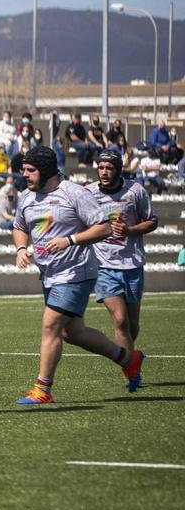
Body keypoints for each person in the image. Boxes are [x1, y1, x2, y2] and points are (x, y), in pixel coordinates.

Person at [11, 146, 144, 405]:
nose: (24, 174)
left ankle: (43, 389)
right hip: (49, 273)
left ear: (46, 170)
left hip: (76, 272)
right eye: (23, 170)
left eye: (30, 170)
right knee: (72, 333)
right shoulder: (26, 196)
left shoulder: (74, 193)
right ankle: (129, 359)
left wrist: (70, 240)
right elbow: (19, 226)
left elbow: (104, 227)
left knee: (50, 325)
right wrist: (21, 248)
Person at [85, 149, 158, 357]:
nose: (104, 172)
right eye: (100, 167)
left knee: (132, 325)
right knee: (120, 320)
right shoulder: (88, 193)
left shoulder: (135, 191)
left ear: (118, 170)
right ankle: (131, 368)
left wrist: (129, 231)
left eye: (109, 168)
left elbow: (152, 221)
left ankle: (128, 358)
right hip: (103, 265)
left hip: (132, 263)